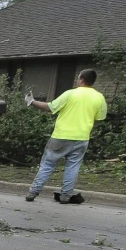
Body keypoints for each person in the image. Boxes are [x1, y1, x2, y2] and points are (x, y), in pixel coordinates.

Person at [25, 68, 107, 203]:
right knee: (73, 167)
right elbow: (99, 117)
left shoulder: (70, 94)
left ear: (81, 80)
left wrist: (31, 101)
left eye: (78, 78)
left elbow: (49, 107)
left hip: (60, 136)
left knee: (48, 165)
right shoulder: (99, 97)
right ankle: (65, 196)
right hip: (82, 138)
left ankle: (33, 193)